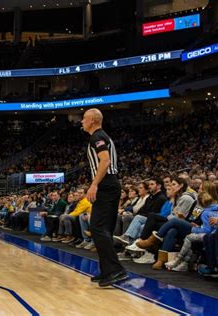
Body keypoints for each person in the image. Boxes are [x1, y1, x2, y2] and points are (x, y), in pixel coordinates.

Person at [81, 108, 128, 287]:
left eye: (84, 118)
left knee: (98, 227)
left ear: (92, 120)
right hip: (110, 185)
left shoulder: (97, 137)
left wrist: (94, 184)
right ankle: (107, 270)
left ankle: (115, 270)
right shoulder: (102, 136)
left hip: (106, 185)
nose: (82, 121)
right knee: (103, 229)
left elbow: (105, 160)